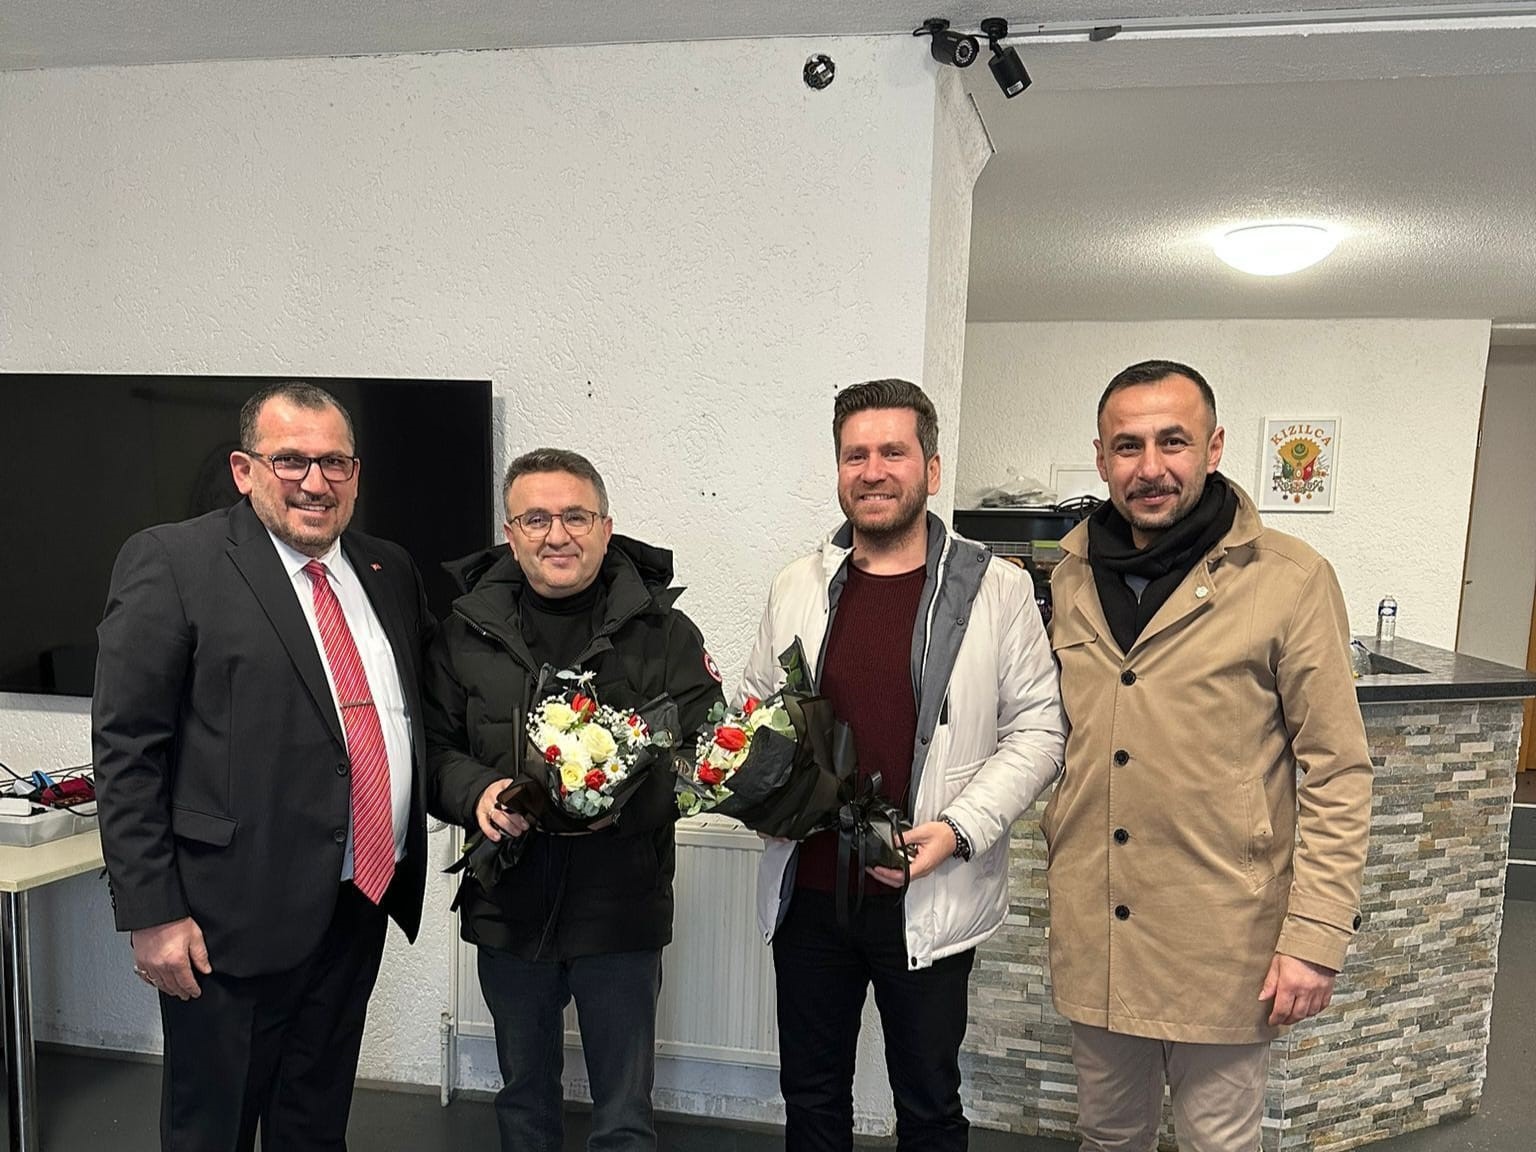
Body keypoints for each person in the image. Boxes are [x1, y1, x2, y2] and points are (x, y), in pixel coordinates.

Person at [93, 382, 435, 1151]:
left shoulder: (387, 569)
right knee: (212, 1129)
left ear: (356, 473)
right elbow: (127, 749)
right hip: (226, 918)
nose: (316, 481)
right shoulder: (174, 562)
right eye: (291, 461)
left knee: (314, 1122)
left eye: (335, 462)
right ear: (245, 470)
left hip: (357, 900)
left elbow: (414, 720)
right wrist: (151, 913)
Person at [1045, 360, 1374, 1151]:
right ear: (1101, 458)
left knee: (1217, 1144)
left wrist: (1315, 936)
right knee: (1106, 1137)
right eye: (1128, 446)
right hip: (1098, 927)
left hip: (1224, 937)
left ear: (1214, 447)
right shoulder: (1069, 577)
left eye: (1174, 442)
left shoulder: (1290, 580)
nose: (1149, 467)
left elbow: (1337, 770)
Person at [741, 379, 1066, 1151]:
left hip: (928, 892)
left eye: (893, 452)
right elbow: (756, 711)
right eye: (856, 455)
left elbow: (1040, 731)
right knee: (810, 1097)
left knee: (928, 1104)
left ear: (932, 468)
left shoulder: (996, 589)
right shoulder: (797, 585)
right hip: (809, 892)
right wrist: (754, 790)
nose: (873, 471)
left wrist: (956, 830)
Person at [424, 448, 723, 1152]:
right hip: (508, 901)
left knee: (624, 1116)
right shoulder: (465, 632)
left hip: (622, 903)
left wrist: (621, 801)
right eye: (536, 519)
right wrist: (479, 793)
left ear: (606, 527)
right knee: (523, 1102)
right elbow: (431, 751)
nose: (557, 535)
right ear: (510, 533)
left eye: (575, 517)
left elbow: (708, 756)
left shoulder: (664, 632)